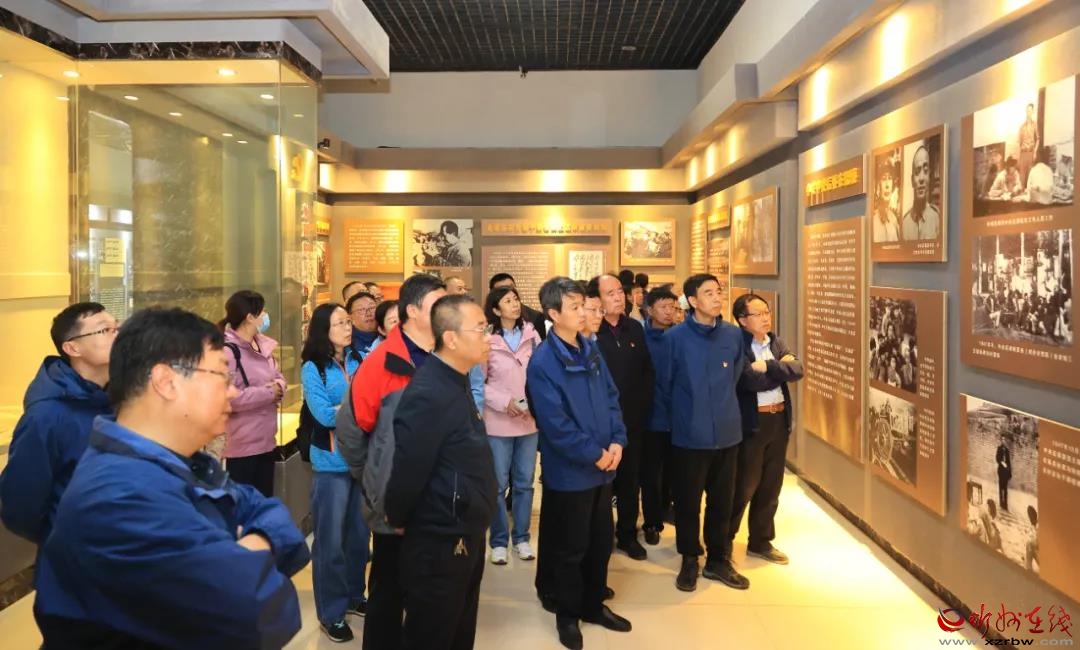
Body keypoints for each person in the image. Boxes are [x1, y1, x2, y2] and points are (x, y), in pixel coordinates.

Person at [33, 307, 309, 648]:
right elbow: (260, 617)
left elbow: (273, 516)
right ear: (166, 382)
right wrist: (252, 551)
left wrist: (248, 549)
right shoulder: (120, 498)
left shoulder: (181, 462)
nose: (233, 392)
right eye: (222, 376)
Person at [340, 273, 446, 650]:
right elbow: (352, 432)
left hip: (438, 499)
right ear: (412, 311)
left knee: (430, 591)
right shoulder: (382, 362)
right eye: (437, 304)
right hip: (394, 503)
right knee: (388, 589)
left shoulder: (446, 356)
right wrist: (376, 484)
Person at [386, 295, 498, 650]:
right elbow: (409, 467)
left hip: (465, 525)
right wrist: (397, 515)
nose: (488, 338)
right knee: (433, 631)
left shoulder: (456, 379)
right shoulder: (429, 391)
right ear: (451, 339)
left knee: (459, 626)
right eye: (480, 329)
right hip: (441, 535)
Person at [527, 277, 631, 650]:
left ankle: (593, 604)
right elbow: (555, 424)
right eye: (573, 307)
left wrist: (617, 440)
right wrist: (595, 453)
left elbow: (611, 397)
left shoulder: (590, 348)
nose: (583, 312)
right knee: (570, 548)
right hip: (572, 471)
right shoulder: (543, 361)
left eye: (582, 305)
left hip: (604, 467)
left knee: (600, 541)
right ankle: (568, 614)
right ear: (553, 314)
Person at [1, 303, 116, 549]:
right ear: (72, 348)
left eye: (117, 328)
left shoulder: (125, 398)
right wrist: (61, 539)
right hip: (76, 555)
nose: (116, 335)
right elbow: (21, 505)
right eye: (104, 330)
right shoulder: (46, 415)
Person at [661, 273, 747, 592]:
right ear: (693, 301)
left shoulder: (733, 335)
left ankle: (717, 559)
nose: (716, 297)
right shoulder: (675, 338)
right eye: (708, 293)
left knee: (722, 501)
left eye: (718, 291)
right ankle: (689, 558)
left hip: (727, 432)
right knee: (687, 501)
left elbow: (735, 376)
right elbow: (665, 384)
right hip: (689, 434)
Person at [301, 302, 368, 642]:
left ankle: (355, 596)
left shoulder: (359, 359)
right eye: (340, 322)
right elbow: (324, 415)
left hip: (360, 461)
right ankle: (331, 613)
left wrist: (347, 408)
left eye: (348, 321)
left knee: (359, 538)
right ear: (323, 330)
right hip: (330, 464)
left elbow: (373, 403)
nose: (348, 327)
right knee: (330, 543)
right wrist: (354, 408)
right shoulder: (313, 367)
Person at [730, 294, 804, 566]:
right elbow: (748, 381)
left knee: (771, 485)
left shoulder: (775, 342)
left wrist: (769, 366)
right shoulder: (736, 344)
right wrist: (779, 371)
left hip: (778, 420)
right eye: (758, 313)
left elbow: (797, 369)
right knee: (743, 485)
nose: (765, 318)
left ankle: (760, 541)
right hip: (752, 423)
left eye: (767, 312)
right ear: (742, 320)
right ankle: (723, 542)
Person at [588, 274, 654, 561]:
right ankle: (600, 536)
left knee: (630, 480)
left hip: (633, 421)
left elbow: (647, 371)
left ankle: (627, 534)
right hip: (601, 424)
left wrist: (642, 408)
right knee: (602, 483)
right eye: (610, 293)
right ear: (596, 299)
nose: (619, 297)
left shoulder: (634, 328)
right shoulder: (591, 332)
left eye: (620, 291)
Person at [482, 286, 543, 565]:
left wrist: (534, 402)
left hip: (529, 420)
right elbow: (478, 382)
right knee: (497, 485)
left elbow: (542, 374)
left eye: (516, 299)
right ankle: (498, 541)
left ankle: (521, 538)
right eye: (508, 301)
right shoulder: (487, 339)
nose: (515, 304)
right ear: (496, 309)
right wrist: (503, 401)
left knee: (524, 483)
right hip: (498, 422)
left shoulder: (532, 335)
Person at [218, 290, 286, 498]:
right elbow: (229, 398)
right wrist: (269, 393)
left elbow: (278, 376)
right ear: (250, 317)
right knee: (244, 503)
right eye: (262, 312)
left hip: (267, 440)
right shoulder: (228, 352)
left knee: (264, 502)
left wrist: (279, 387)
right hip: (242, 445)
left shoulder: (263, 345)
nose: (266, 316)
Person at [640, 286, 678, 545]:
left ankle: (667, 508)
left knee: (674, 471)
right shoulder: (640, 338)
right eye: (663, 307)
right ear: (650, 310)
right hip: (651, 417)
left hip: (678, 417)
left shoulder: (680, 337)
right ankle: (652, 521)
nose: (669, 312)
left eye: (673, 308)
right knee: (651, 474)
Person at [491, 272, 548, 339]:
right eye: (502, 291)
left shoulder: (535, 317)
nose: (509, 292)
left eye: (511, 288)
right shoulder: (486, 322)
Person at [901, 145, 940, 241]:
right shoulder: (904, 224)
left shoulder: (937, 218)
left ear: (929, 177)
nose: (921, 178)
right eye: (917, 172)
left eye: (925, 171)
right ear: (912, 180)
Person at [872, 157, 901, 243]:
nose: (887, 185)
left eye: (890, 178)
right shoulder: (873, 218)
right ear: (878, 185)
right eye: (884, 179)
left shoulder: (893, 218)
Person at [347, 291, 381, 358]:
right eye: (361, 310)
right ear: (350, 318)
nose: (368, 314)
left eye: (372, 308)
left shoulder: (387, 333)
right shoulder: (348, 343)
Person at [1018, 103, 1039, 185]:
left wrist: (1035, 152)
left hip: (1031, 153)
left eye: (1030, 110)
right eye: (1027, 110)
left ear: (1032, 111)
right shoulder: (1022, 126)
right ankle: (1021, 190)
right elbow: (1019, 142)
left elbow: (1038, 139)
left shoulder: (1034, 125)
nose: (1028, 112)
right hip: (1023, 153)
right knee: (1022, 176)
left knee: (1030, 176)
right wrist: (1020, 154)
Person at [996, 434, 1012, 512]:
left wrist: (1010, 473)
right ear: (1001, 440)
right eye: (1002, 439)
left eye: (1004, 440)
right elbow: (997, 458)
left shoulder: (1007, 450)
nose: (1003, 441)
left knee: (1005, 489)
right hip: (1001, 471)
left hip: (1006, 472)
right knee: (1000, 487)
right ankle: (1001, 503)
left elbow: (1009, 462)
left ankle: (1005, 505)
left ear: (1006, 441)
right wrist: (1002, 463)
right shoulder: (999, 448)